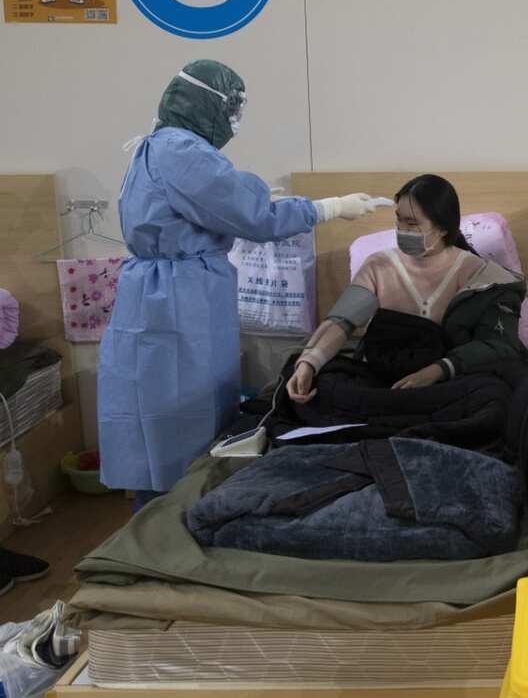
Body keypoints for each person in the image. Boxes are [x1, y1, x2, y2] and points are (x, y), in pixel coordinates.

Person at [99, 60, 380, 509]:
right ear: (206, 103)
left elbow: (221, 203)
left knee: (158, 414)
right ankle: (178, 517)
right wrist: (328, 207)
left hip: (155, 293)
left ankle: (160, 513)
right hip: (179, 299)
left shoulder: (158, 145)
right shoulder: (184, 153)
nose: (234, 120)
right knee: (183, 419)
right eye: (232, 108)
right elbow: (255, 216)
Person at [285, 174, 528, 403]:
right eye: (398, 219)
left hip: (451, 383)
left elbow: (498, 345)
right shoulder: (379, 266)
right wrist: (309, 363)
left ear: (442, 227)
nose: (402, 229)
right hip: (385, 381)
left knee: (493, 395)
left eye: (411, 223)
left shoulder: (484, 277)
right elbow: (341, 322)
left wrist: (438, 370)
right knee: (310, 379)